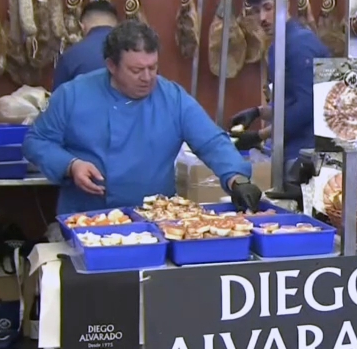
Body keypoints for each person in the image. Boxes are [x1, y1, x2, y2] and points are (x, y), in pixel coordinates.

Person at [24, 20, 262, 214]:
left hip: (154, 219)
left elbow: (212, 142)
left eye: (153, 68)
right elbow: (36, 142)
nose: (147, 77)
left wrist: (237, 179)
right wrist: (70, 165)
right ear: (111, 65)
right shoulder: (73, 95)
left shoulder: (173, 98)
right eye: (137, 70)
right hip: (87, 217)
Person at [229, 0, 331, 187]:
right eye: (256, 11)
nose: (262, 18)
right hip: (290, 150)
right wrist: (258, 112)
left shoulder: (300, 43)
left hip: (307, 154)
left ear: (284, 4)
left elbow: (306, 106)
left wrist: (260, 135)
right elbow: (289, 101)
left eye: (268, 8)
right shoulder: (279, 46)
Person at [51, 0, 120, 91]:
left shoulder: (70, 55)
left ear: (81, 26)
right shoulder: (131, 51)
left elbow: (58, 100)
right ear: (117, 24)